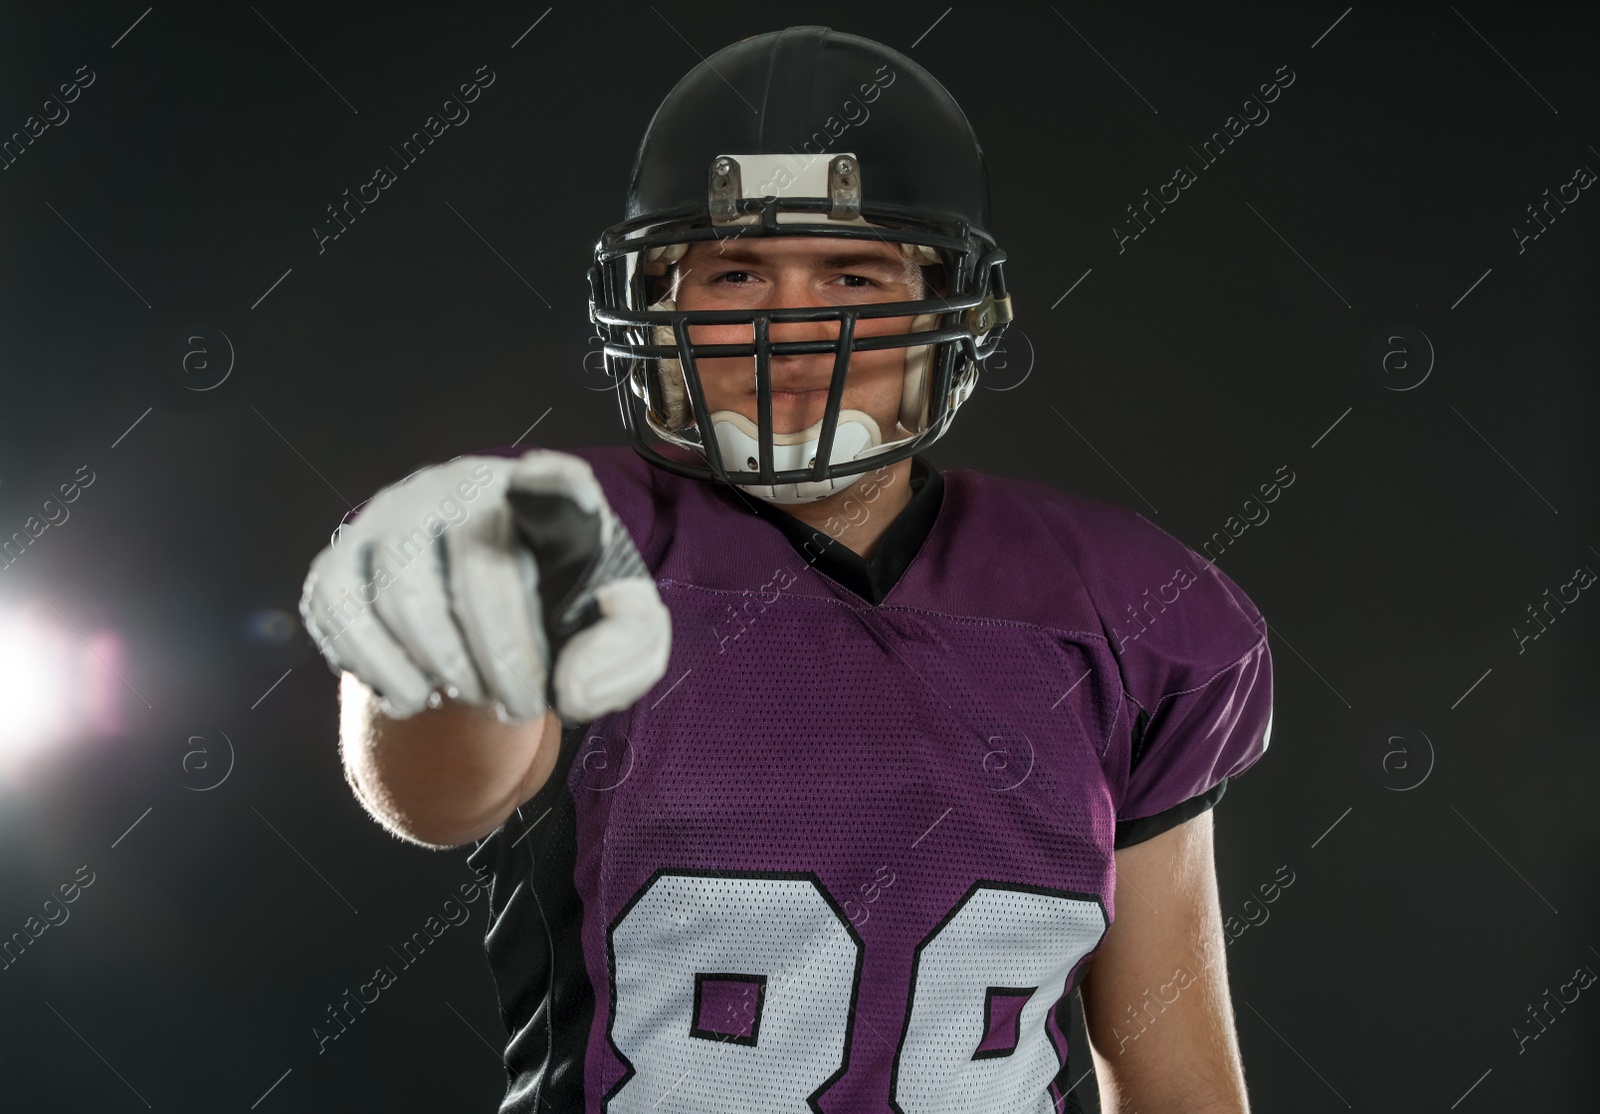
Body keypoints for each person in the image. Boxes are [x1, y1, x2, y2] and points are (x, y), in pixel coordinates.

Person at [300, 26, 1273, 1113]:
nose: (792, 320)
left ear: (946, 302)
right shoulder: (569, 534)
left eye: (851, 270)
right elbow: (435, 794)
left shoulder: (1121, 612)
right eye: (736, 272)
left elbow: (1171, 1071)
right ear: (658, 304)